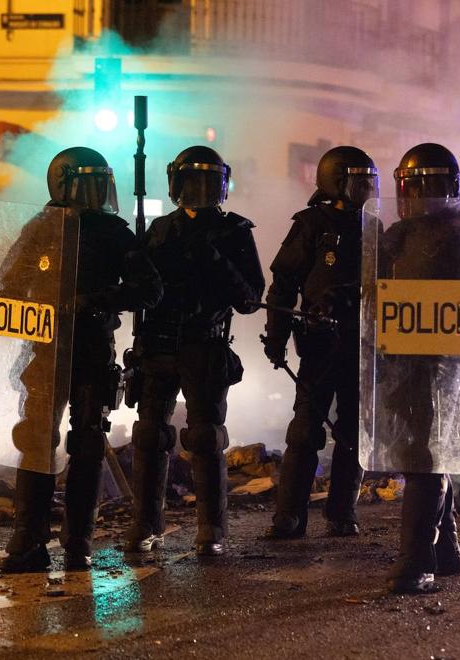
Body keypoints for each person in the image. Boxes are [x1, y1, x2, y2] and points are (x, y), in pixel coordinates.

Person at [0, 146, 162, 573]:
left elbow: (149, 288)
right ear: (62, 184)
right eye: (85, 184)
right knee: (35, 439)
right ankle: (27, 540)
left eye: (99, 183)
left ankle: (78, 543)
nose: (94, 193)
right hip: (46, 345)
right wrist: (41, 299)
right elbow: (9, 280)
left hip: (92, 347)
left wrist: (97, 300)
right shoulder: (41, 228)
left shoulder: (114, 232)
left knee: (87, 443)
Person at [125, 145, 265, 557]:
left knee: (204, 437)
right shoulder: (160, 229)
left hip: (203, 343)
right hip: (157, 342)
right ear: (176, 184)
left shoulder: (234, 231)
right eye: (192, 182)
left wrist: (215, 259)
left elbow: (250, 298)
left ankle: (211, 528)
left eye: (208, 182)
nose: (199, 191)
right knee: (149, 435)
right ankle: (146, 523)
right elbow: (142, 290)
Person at [377, 143, 460, 594]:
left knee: (425, 456)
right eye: (413, 186)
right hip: (403, 361)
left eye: (428, 186)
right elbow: (374, 295)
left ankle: (416, 562)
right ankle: (446, 552)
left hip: (446, 363)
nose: (420, 196)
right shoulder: (395, 236)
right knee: (422, 452)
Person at [261, 146, 378, 539]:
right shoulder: (312, 224)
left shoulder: (377, 226)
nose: (366, 189)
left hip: (364, 344)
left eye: (369, 181)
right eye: (358, 181)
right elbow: (283, 287)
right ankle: (289, 515)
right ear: (336, 181)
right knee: (305, 429)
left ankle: (343, 511)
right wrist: (275, 338)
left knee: (355, 432)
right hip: (320, 344)